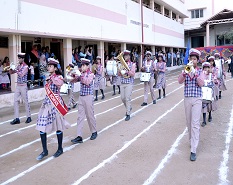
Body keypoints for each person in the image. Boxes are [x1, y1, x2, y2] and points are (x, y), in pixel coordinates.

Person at [36, 58, 70, 160]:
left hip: (56, 104)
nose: (48, 67)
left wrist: (51, 79)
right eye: (48, 66)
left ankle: (60, 148)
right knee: (42, 126)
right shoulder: (48, 77)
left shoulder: (59, 77)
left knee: (58, 126)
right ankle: (45, 150)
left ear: (55, 68)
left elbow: (59, 83)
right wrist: (48, 79)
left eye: (50, 66)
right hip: (47, 103)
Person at [178, 48, 205, 161]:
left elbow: (201, 83)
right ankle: (191, 141)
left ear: (197, 60)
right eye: (191, 58)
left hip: (197, 99)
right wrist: (185, 73)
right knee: (189, 122)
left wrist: (195, 73)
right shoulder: (187, 68)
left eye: (194, 59)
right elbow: (179, 81)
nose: (192, 60)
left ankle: (193, 149)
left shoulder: (201, 71)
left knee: (195, 123)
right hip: (187, 98)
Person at [71, 58, 97, 144]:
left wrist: (80, 75)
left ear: (87, 66)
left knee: (90, 115)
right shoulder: (81, 74)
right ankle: (79, 136)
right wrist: (72, 74)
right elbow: (73, 80)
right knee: (80, 117)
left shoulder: (91, 74)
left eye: (83, 65)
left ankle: (94, 131)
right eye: (81, 65)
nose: (82, 67)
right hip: (81, 97)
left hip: (88, 97)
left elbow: (87, 82)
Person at [10, 53, 32, 125]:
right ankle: (17, 118)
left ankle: (29, 117)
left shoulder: (25, 66)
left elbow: (21, 74)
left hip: (23, 86)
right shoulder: (18, 66)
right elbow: (11, 73)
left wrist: (15, 70)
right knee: (15, 101)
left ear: (23, 59)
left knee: (26, 101)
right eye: (18, 58)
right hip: (18, 85)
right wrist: (11, 69)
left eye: (19, 58)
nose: (18, 59)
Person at [118, 50, 136, 121]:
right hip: (122, 83)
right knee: (122, 98)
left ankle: (128, 113)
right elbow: (118, 74)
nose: (125, 57)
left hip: (129, 83)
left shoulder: (132, 64)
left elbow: (133, 74)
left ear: (129, 56)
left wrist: (126, 72)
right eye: (124, 56)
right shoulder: (121, 64)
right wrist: (120, 71)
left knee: (127, 98)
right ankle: (129, 107)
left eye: (127, 55)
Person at [201, 62, 217, 127]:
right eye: (205, 68)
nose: (206, 69)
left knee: (209, 104)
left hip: (210, 92)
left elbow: (215, 81)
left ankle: (210, 115)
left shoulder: (211, 75)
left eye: (207, 67)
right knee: (203, 105)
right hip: (203, 92)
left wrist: (214, 80)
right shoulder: (201, 74)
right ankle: (204, 120)